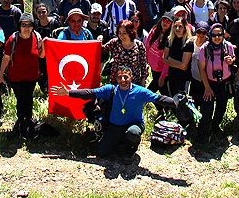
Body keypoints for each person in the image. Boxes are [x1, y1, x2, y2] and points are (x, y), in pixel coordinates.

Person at [53, 65, 182, 160]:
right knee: (101, 152)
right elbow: (90, 93)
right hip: (115, 126)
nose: (123, 80)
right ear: (116, 78)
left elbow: (159, 99)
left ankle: (130, 150)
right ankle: (119, 142)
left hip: (134, 124)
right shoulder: (111, 89)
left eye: (125, 77)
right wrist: (68, 92)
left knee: (132, 133)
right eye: (120, 77)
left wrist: (175, 102)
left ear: (131, 77)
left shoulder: (140, 91)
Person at [0, 12, 45, 135]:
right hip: (16, 76)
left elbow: (41, 55)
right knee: (21, 99)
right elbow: (6, 58)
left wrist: (44, 45)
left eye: (29, 25)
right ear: (19, 25)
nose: (26, 28)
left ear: (33, 26)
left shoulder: (37, 36)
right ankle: (20, 121)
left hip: (32, 76)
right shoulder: (13, 39)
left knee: (29, 98)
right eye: (23, 25)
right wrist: (0, 76)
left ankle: (28, 121)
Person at [196, 23, 235, 143]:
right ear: (210, 35)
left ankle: (215, 127)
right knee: (206, 108)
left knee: (221, 107)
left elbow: (233, 60)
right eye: (214, 35)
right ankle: (202, 133)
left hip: (224, 82)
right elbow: (201, 68)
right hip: (209, 83)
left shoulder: (228, 46)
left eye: (219, 35)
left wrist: (230, 61)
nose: (217, 38)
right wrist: (207, 87)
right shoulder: (205, 48)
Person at [159, 16, 194, 113]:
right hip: (172, 74)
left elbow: (184, 65)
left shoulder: (188, 43)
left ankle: (185, 118)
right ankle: (174, 115)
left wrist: (170, 60)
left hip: (183, 77)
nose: (177, 29)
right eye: (175, 26)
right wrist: (174, 62)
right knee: (172, 97)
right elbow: (164, 59)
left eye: (180, 26)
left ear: (185, 28)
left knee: (182, 99)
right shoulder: (170, 39)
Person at [103, 20, 148, 86]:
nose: (121, 35)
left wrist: (143, 80)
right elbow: (101, 50)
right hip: (116, 83)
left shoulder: (139, 45)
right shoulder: (114, 42)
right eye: (120, 32)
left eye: (124, 33)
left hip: (134, 83)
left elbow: (143, 65)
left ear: (130, 32)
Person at [34, 3, 61, 91]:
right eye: (39, 12)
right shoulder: (35, 24)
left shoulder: (55, 23)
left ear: (48, 12)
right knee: (41, 73)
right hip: (40, 53)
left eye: (43, 12)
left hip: (52, 53)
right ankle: (43, 89)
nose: (41, 14)